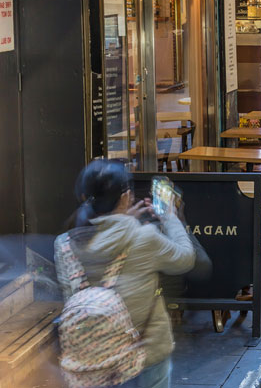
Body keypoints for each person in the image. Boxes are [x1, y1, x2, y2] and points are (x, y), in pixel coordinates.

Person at [55, 159, 196, 388]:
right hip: (146, 354)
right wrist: (169, 215)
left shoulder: (64, 244)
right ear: (125, 197)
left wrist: (122, 221)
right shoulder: (144, 237)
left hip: (94, 362)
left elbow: (70, 294)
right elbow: (185, 258)